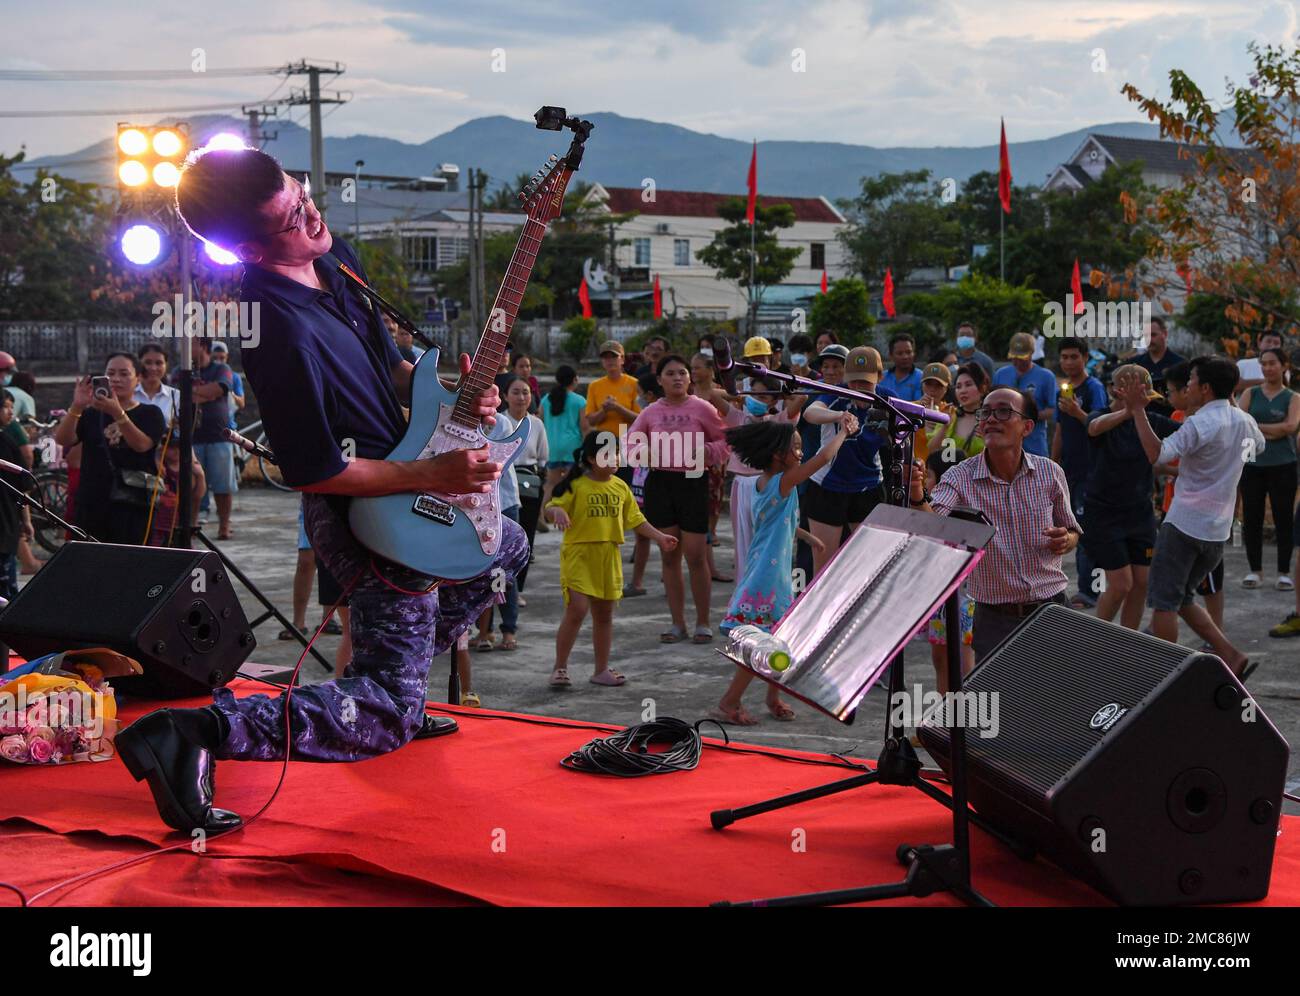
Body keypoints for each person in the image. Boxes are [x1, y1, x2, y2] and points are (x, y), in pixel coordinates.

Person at [114, 146, 525, 836]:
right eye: (290, 218)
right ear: (243, 247)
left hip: (406, 478)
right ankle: (194, 734)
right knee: (386, 717)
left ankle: (392, 678)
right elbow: (313, 469)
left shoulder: (333, 261)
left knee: (504, 544)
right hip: (362, 511)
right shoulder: (275, 329)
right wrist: (436, 475)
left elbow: (389, 370)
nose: (311, 217)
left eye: (304, 196)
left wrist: (457, 391)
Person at [909, 388, 1081, 662]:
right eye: (985, 413)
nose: (990, 419)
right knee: (1005, 701)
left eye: (1003, 411)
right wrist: (917, 492)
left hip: (1053, 607)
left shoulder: (1050, 472)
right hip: (994, 618)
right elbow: (933, 525)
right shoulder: (960, 476)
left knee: (1059, 699)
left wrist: (1066, 539)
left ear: (1027, 427)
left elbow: (1072, 532)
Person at [1130, 356, 1263, 679]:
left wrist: (1136, 410)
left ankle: (1164, 674)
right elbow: (1256, 450)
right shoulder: (1245, 421)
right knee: (1183, 597)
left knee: (1164, 602)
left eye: (1190, 381)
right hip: (1217, 530)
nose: (1186, 387)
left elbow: (1157, 454)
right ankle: (1231, 655)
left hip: (1184, 524)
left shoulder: (1200, 423)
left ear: (1204, 388)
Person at [711, 419, 850, 725]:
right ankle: (729, 703)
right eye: (796, 447)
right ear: (777, 454)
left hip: (767, 573)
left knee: (779, 641)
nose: (801, 453)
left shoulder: (765, 484)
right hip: (767, 579)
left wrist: (808, 537)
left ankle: (772, 696)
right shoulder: (784, 482)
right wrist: (843, 432)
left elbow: (778, 520)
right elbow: (824, 459)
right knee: (761, 646)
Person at [545, 432, 677, 687]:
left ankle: (601, 670)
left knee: (604, 616)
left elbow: (636, 519)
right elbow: (551, 508)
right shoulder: (576, 485)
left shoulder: (620, 486)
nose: (615, 458)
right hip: (579, 554)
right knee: (577, 610)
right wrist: (557, 511)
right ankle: (560, 667)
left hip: (609, 556)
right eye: (608, 453)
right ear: (592, 459)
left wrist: (660, 537)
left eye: (617, 452)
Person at [630, 355, 731, 644]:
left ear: (689, 378)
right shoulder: (650, 412)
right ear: (659, 379)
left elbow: (725, 442)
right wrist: (645, 453)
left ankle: (703, 622)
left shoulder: (703, 408)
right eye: (670, 373)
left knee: (696, 555)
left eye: (682, 373)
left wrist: (704, 452)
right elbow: (631, 442)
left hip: (692, 480)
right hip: (660, 483)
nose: (677, 378)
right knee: (669, 554)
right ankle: (677, 624)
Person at [1082, 366, 1180, 630]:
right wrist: (1129, 411)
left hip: (1140, 513)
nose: (1145, 403)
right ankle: (1097, 638)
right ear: (1118, 391)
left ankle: (1128, 641)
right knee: (1121, 583)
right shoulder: (1101, 415)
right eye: (1140, 397)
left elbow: (1189, 434)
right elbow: (1093, 428)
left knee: (1142, 581)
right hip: (1103, 513)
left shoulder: (1151, 421)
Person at [800, 346, 896, 578]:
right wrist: (838, 416)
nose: (858, 388)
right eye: (854, 382)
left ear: (879, 378)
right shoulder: (836, 394)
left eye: (865, 382)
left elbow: (907, 425)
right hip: (827, 486)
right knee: (823, 568)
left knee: (870, 566)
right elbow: (811, 413)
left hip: (868, 486)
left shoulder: (887, 398)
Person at [53, 353, 166, 546]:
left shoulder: (150, 413)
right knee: (92, 561)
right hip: (93, 499)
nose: (116, 379)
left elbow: (141, 445)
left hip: (133, 501)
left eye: (124, 374)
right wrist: (77, 406)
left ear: (137, 378)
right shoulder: (90, 414)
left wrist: (118, 413)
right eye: (110, 373)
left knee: (129, 559)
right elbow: (63, 439)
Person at [1051, 337, 1109, 608]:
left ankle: (1089, 591)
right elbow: (1060, 428)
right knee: (1070, 525)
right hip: (1070, 469)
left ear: (1085, 358)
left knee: (1085, 529)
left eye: (1074, 356)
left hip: (1092, 468)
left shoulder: (1094, 387)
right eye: (1064, 357)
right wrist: (1054, 462)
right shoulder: (1061, 391)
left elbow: (1098, 424)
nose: (1069, 362)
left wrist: (1077, 411)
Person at [1237, 348, 1299, 590]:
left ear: (1284, 366)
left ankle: (1283, 571)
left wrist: (1257, 427)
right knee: (1252, 517)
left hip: (1283, 463)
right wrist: (1274, 428)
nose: (1267, 368)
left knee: (1284, 518)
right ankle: (1255, 570)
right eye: (1263, 363)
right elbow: (1241, 424)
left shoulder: (1293, 397)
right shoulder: (1250, 393)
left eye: (1272, 363)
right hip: (1252, 462)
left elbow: (1291, 427)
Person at [136, 343, 206, 544]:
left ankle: (189, 525)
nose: (153, 368)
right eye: (148, 362)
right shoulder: (131, 394)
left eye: (158, 363)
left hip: (172, 450)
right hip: (144, 452)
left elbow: (183, 431)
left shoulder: (176, 396)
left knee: (198, 475)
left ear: (166, 365)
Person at [185, 336, 238, 539]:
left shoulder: (221, 369)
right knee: (193, 485)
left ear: (203, 346)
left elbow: (220, 388)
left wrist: (195, 392)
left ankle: (224, 526)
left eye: (190, 343)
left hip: (219, 436)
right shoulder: (180, 371)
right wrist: (207, 393)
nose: (184, 348)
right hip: (192, 437)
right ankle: (192, 524)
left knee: (223, 486)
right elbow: (180, 393)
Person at [504, 376, 548, 600]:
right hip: (504, 484)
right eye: (516, 392)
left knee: (526, 538)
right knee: (505, 539)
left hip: (530, 483)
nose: (521, 397)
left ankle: (517, 589)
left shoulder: (537, 424)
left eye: (525, 392)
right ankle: (500, 590)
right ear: (505, 396)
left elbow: (542, 458)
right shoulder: (499, 422)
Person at [583, 339, 640, 485]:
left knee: (626, 483)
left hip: (626, 441)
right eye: (605, 357)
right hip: (604, 442)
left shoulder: (634, 384)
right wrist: (604, 410)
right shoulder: (595, 386)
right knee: (603, 483)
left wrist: (617, 408)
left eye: (614, 356)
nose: (610, 361)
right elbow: (591, 420)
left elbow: (639, 418)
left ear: (622, 359)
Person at [992, 332, 1057, 457]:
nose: (1017, 362)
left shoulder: (1046, 377)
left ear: (1032, 353)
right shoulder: (1001, 374)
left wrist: (1026, 416)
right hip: (1004, 446)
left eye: (1021, 358)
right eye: (1014, 357)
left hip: (1034, 445)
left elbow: (1052, 410)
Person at [0, 392, 34, 599]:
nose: (11, 411)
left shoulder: (7, 439)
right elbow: (24, 486)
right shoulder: (7, 440)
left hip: (6, 523)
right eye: (5, 406)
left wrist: (26, 520)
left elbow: (22, 486)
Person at [1132, 316, 1185, 415]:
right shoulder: (1134, 364)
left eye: (1153, 335)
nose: (1149, 340)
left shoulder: (1179, 364)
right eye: (1146, 336)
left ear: (1164, 334)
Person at [210, 340, 246, 429]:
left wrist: (229, 392)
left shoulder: (234, 377)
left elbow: (241, 403)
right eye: (215, 358)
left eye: (222, 358)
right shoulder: (204, 374)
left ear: (227, 357)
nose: (219, 361)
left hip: (229, 429)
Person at [881, 332, 923, 402]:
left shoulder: (922, 378)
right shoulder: (882, 377)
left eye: (908, 352)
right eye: (899, 353)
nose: (905, 357)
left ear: (914, 353)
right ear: (891, 356)